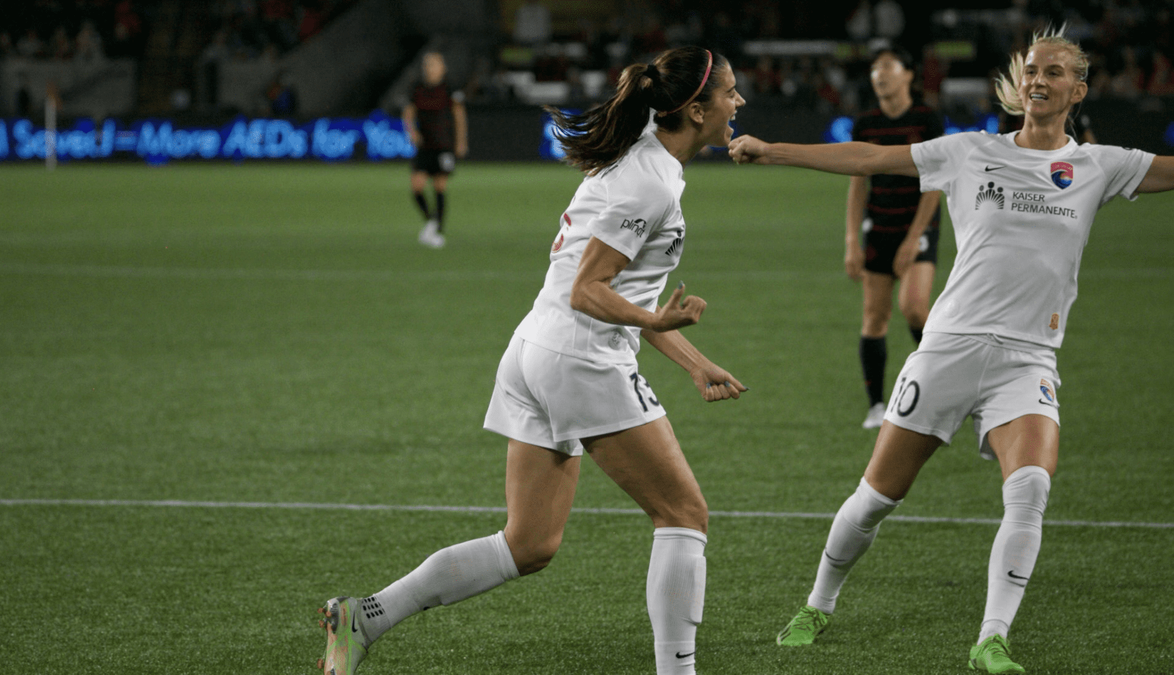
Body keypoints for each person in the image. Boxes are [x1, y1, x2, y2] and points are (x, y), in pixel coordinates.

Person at [729, 25, 1172, 674]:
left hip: (1028, 360)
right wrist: (773, 151)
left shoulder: (1097, 167)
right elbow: (872, 159)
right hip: (948, 350)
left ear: (1077, 89)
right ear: (1020, 85)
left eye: (1054, 73)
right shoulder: (970, 151)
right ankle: (818, 603)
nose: (1039, 81)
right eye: (1031, 71)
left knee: (1029, 490)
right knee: (877, 497)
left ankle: (992, 638)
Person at [318, 46, 748, 675]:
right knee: (682, 514)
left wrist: (690, 359)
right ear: (693, 107)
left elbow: (626, 295)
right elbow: (590, 290)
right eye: (731, 93)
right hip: (579, 358)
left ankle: (365, 616)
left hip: (535, 351)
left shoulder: (645, 166)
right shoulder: (649, 180)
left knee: (529, 544)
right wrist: (656, 322)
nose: (739, 103)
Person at [845, 46, 944, 430]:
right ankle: (876, 407)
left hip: (916, 227)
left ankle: (939, 391)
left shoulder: (926, 119)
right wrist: (851, 239)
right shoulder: (865, 123)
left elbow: (935, 186)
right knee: (874, 317)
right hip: (879, 227)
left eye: (888, 67)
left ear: (908, 75)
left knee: (916, 309)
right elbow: (857, 186)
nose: (879, 75)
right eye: (874, 69)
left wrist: (914, 237)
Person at [402, 51, 467, 249]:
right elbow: (408, 113)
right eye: (427, 65)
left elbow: (458, 115)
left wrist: (461, 141)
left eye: (434, 65)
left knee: (439, 186)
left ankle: (436, 231)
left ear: (442, 68)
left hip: (443, 145)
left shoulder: (448, 88)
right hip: (425, 146)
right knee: (417, 186)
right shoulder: (417, 89)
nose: (430, 68)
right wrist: (412, 133)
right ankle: (431, 222)